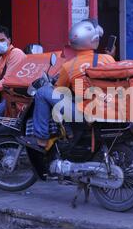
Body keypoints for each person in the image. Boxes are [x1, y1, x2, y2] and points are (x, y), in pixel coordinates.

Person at [19, 19, 115, 150]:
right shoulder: (108, 59)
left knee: (42, 93)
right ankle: (68, 133)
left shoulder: (69, 66)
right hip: (107, 107)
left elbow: (58, 90)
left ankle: (41, 139)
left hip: (84, 114)